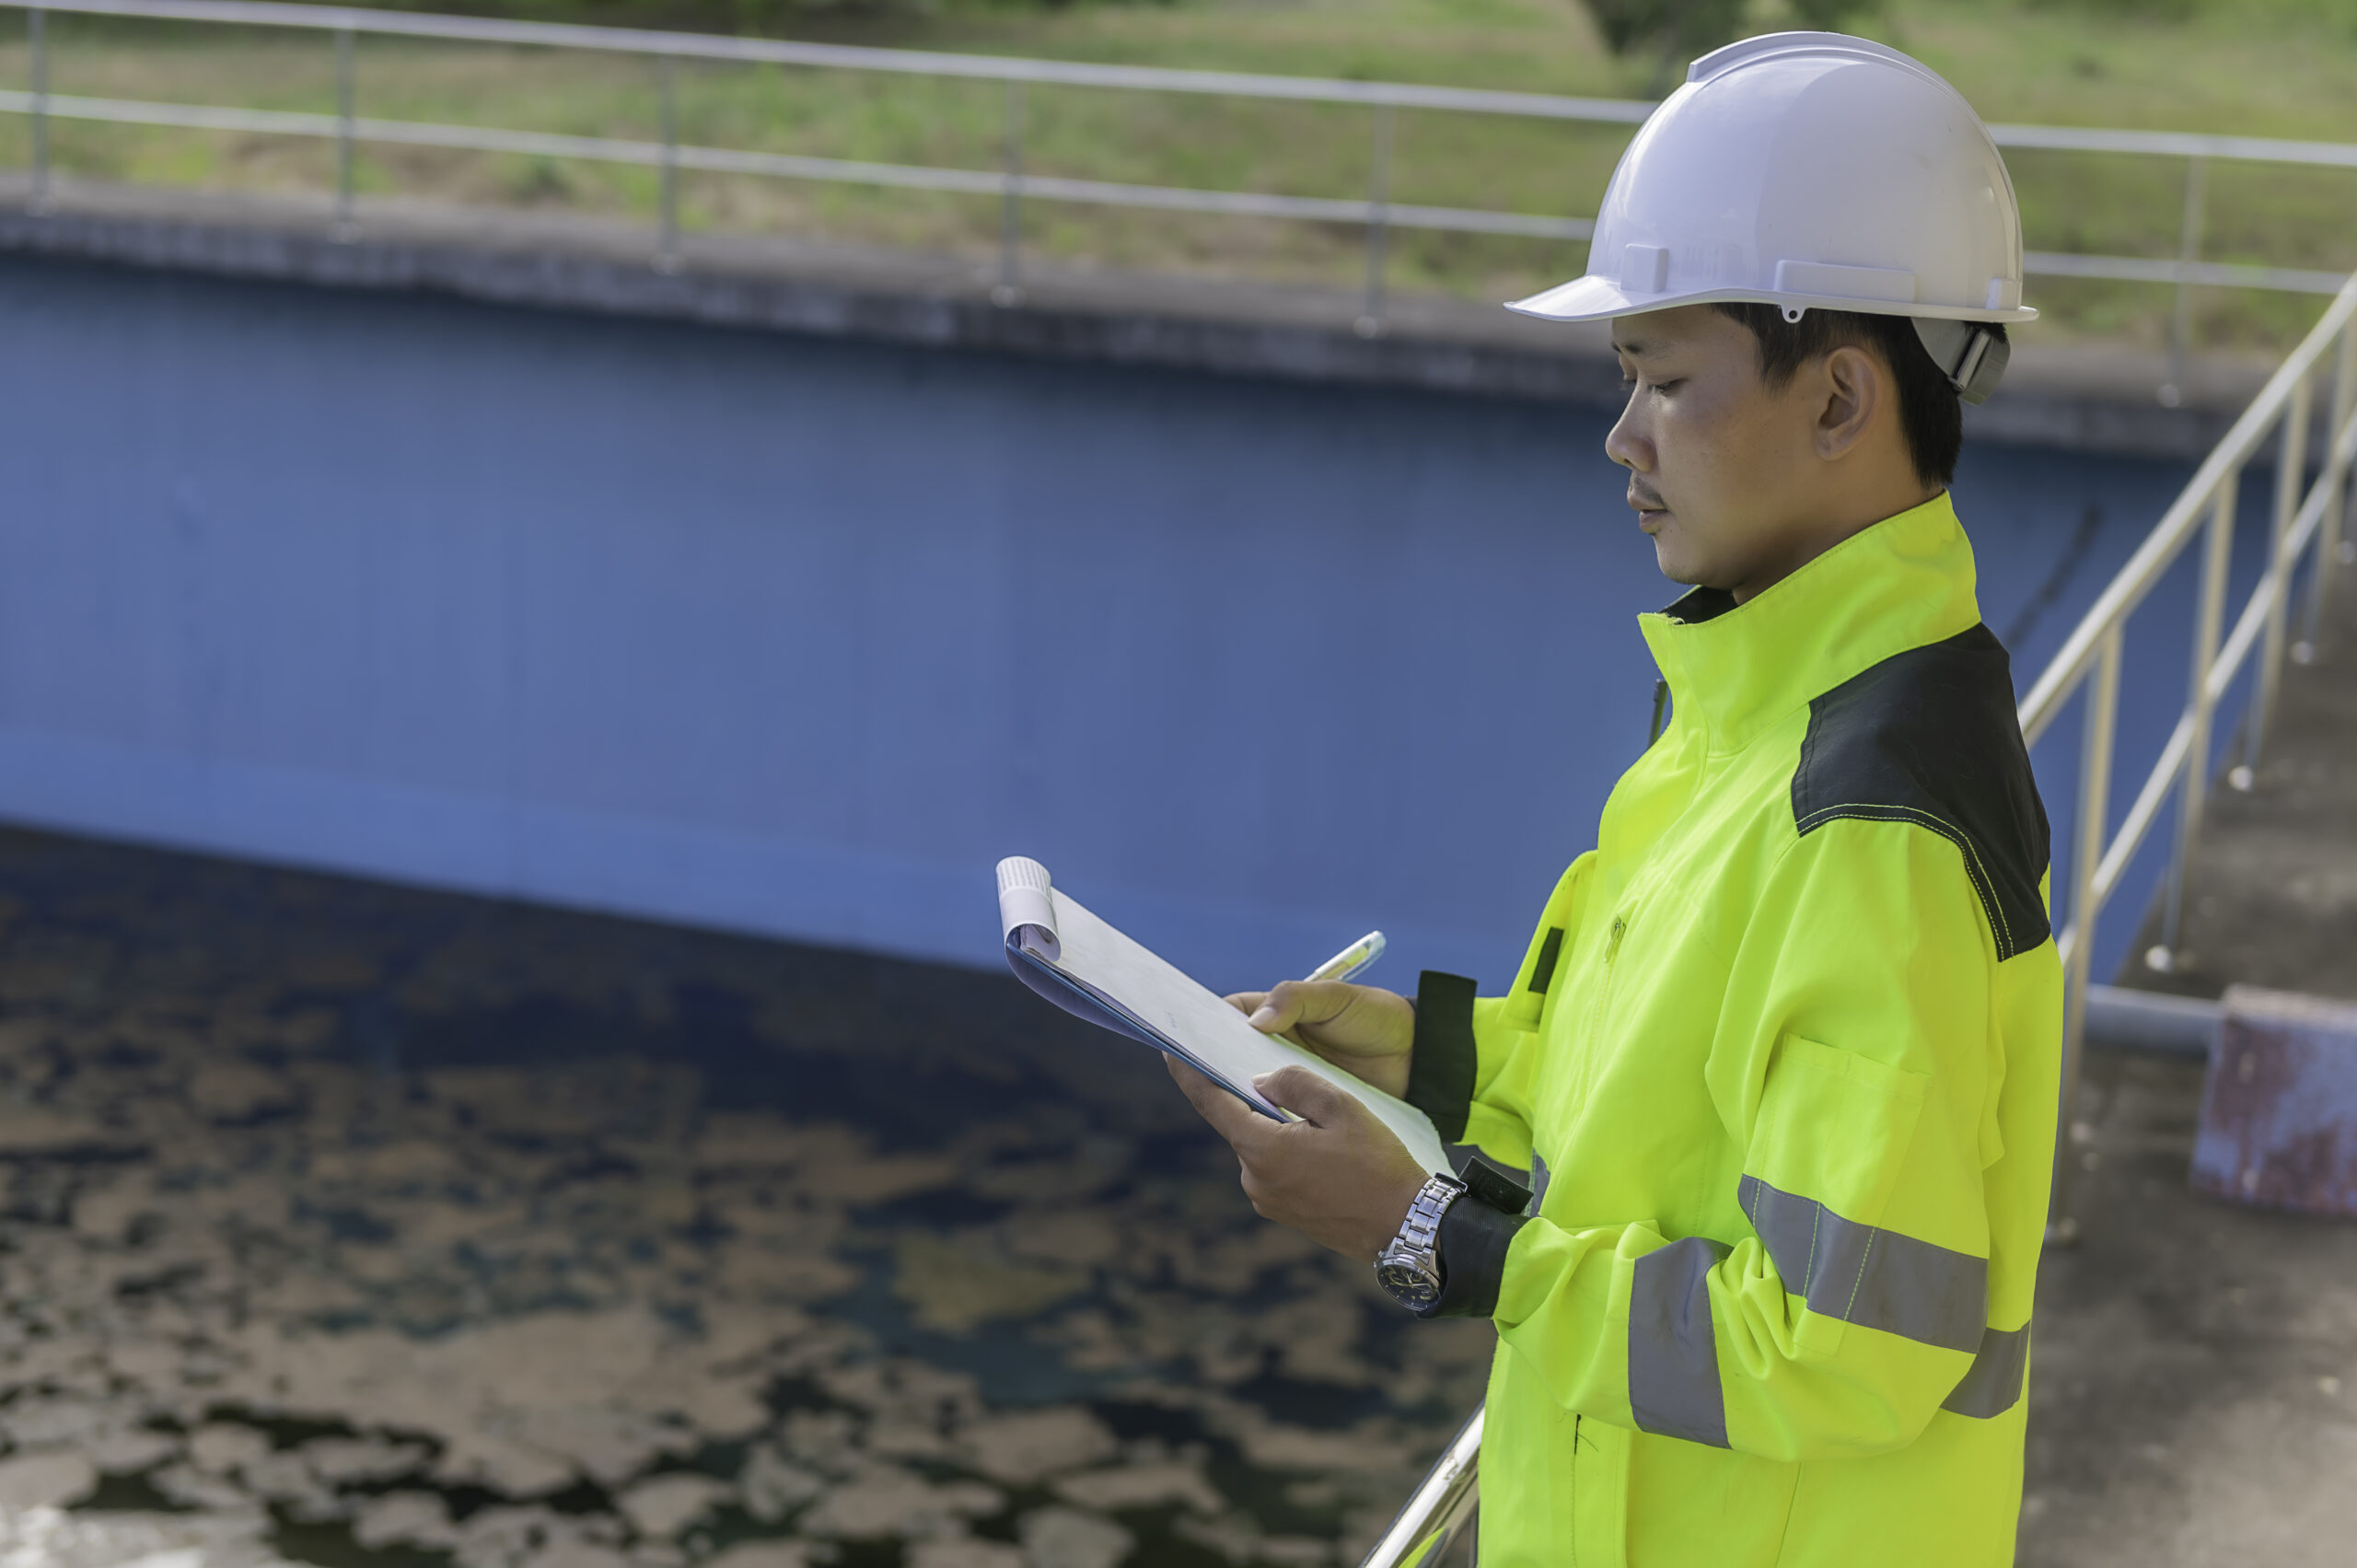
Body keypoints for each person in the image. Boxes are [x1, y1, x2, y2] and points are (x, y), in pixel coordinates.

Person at [1165, 32, 2062, 1568]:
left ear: (1842, 397)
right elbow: (1665, 1101)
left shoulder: (1869, 823)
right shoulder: (1753, 714)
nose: (1623, 441)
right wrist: (1429, 1060)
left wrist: (1427, 1234)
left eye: (1664, 380)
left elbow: (1838, 1346)